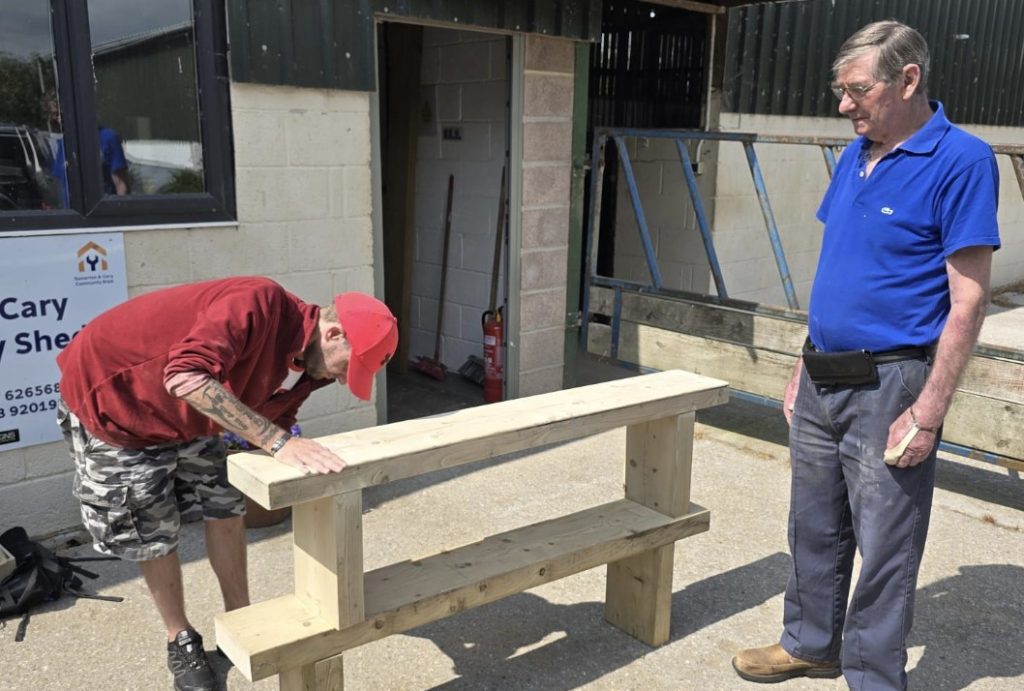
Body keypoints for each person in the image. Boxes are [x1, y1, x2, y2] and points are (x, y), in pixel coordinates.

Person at [731, 21, 999, 690]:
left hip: (895, 378)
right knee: (814, 520)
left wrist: (930, 411)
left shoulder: (962, 160)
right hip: (825, 367)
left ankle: (875, 676)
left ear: (908, 80)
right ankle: (812, 641)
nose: (843, 105)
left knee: (886, 539)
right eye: (838, 90)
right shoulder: (858, 151)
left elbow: (966, 302)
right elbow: (837, 264)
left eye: (857, 90)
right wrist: (803, 357)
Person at [56, 276, 398, 691]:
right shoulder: (258, 303)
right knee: (152, 529)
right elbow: (184, 376)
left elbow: (278, 417)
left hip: (192, 414)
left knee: (226, 503)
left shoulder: (313, 365)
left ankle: (241, 617)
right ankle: (179, 637)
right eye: (350, 367)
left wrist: (288, 451)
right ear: (333, 333)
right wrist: (275, 443)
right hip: (120, 406)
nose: (344, 380)